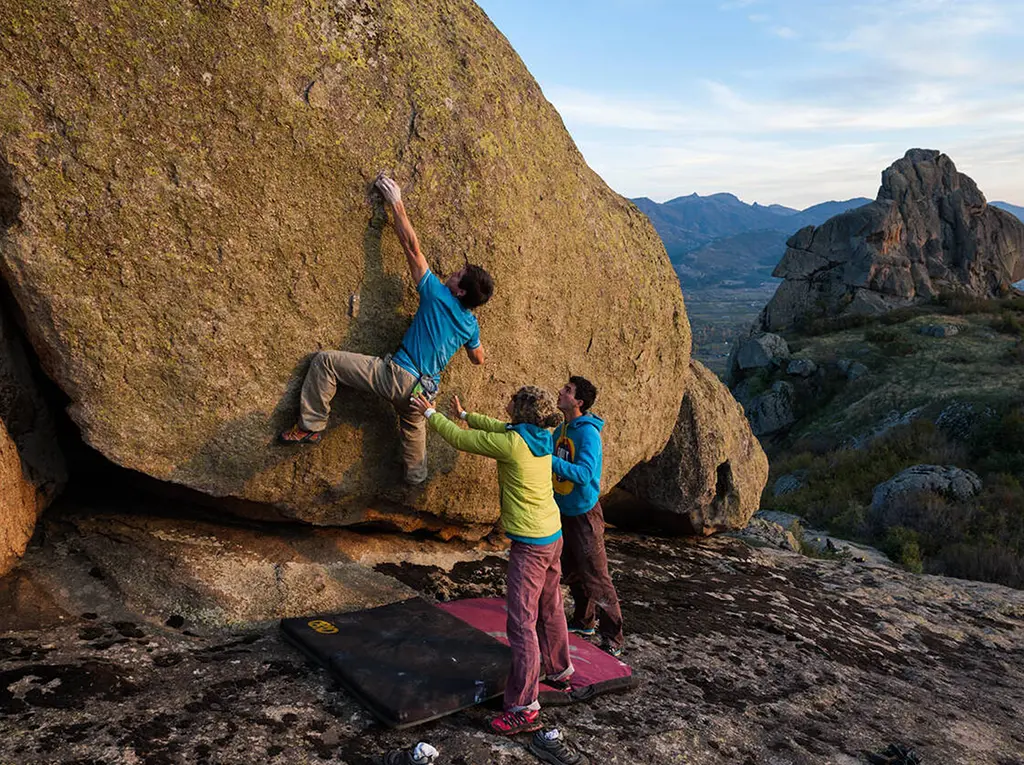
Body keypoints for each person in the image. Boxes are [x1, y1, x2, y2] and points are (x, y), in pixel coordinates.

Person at [279, 173, 494, 485]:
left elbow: (411, 246)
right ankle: (417, 482)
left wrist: (396, 203)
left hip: (396, 376)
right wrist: (466, 339)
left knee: (325, 361)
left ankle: (310, 426)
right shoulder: (470, 324)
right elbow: (478, 358)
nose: (452, 272)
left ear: (460, 291)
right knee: (414, 434)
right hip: (424, 394)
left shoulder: (436, 294)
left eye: (458, 274)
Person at [409, 387, 573, 736]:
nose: (507, 400)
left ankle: (524, 708)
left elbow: (460, 441)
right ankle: (560, 670)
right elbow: (498, 425)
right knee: (550, 605)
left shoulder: (514, 444)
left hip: (530, 545)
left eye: (512, 398)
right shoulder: (539, 434)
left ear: (521, 410)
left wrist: (429, 413)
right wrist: (467, 415)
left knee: (522, 624)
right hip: (553, 535)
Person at [551, 375, 624, 657]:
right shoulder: (562, 429)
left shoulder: (588, 434)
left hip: (583, 514)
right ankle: (584, 622)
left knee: (597, 576)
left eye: (567, 390)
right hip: (563, 513)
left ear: (578, 401)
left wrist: (548, 461)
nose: (560, 391)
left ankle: (613, 638)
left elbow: (584, 473)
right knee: (572, 571)